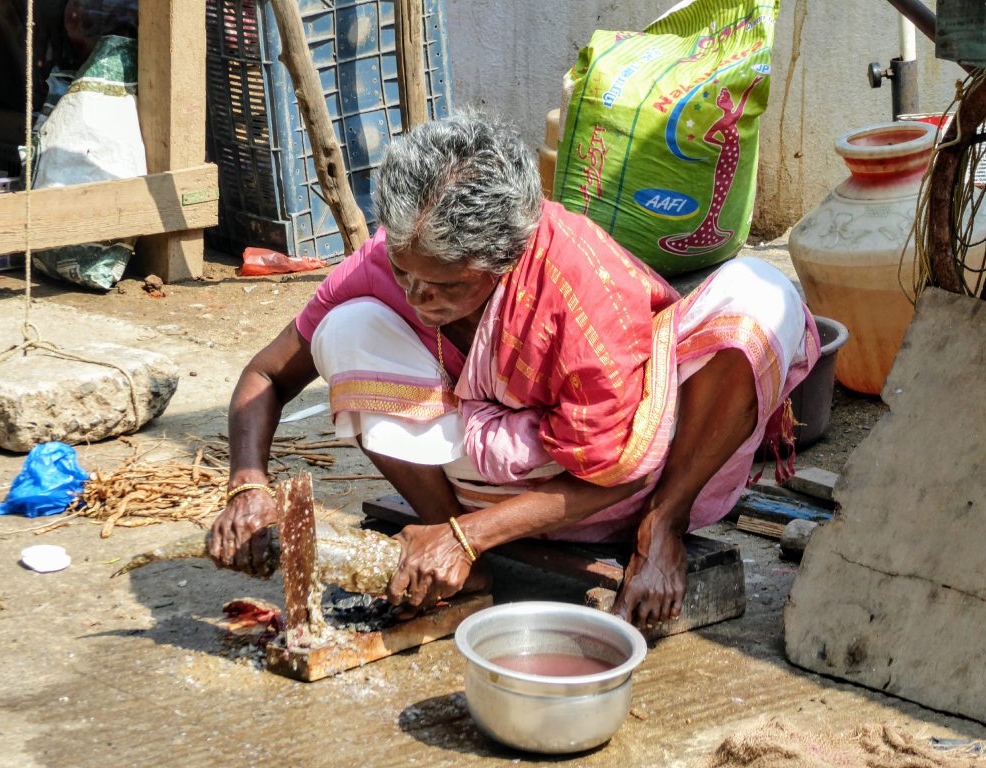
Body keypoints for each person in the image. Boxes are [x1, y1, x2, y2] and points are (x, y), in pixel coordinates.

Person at [208, 113, 818, 630]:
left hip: (622, 488)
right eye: (404, 271)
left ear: (505, 260)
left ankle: (664, 529)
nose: (417, 296)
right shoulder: (389, 258)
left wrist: (475, 535)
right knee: (346, 327)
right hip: (478, 482)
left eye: (446, 284)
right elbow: (266, 374)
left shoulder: (576, 282)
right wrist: (247, 484)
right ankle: (442, 537)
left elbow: (623, 470)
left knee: (760, 291)